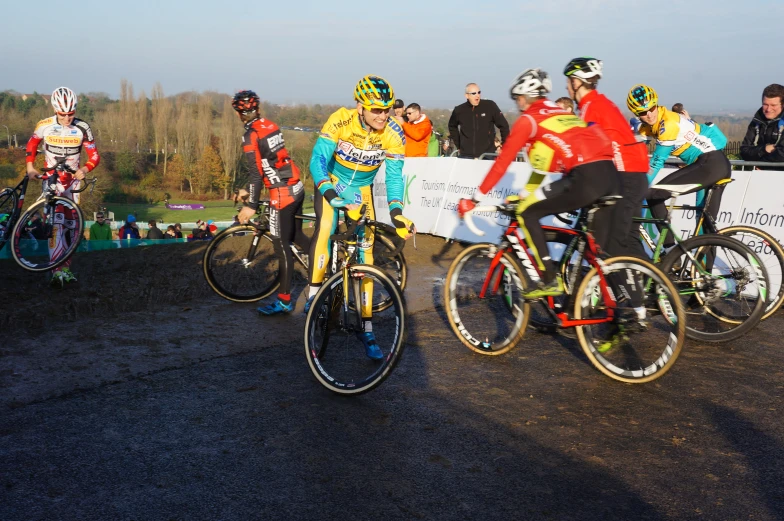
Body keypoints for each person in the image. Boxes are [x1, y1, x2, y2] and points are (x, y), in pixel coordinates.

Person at [458, 68, 619, 299]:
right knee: (592, 245)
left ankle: (549, 279)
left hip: (584, 176)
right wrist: (526, 192)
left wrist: (474, 199)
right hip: (609, 173)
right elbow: (545, 164)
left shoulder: (529, 119)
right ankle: (624, 305)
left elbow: (502, 163)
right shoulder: (557, 110)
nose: (517, 104)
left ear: (523, 98)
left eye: (516, 99)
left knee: (528, 214)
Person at [306, 75, 415, 359]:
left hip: (361, 191)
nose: (382, 115)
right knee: (327, 227)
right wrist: (330, 193)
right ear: (360, 107)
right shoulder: (340, 120)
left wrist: (397, 213)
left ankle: (367, 328)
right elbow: (317, 159)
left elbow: (393, 178)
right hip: (330, 182)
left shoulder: (393, 133)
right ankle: (313, 294)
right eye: (376, 109)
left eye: (387, 109)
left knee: (365, 255)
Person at [232, 90, 309, 315]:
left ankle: (285, 301)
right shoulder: (270, 125)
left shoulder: (250, 135)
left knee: (281, 245)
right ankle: (321, 272)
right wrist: (249, 190)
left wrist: (251, 205)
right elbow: (271, 161)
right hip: (296, 185)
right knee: (297, 236)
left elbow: (256, 172)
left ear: (239, 113)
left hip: (281, 193)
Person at [563, 57, 649, 260]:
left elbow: (587, 154)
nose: (567, 88)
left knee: (614, 247)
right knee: (627, 242)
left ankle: (637, 290)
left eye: (568, 83)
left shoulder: (592, 107)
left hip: (625, 177)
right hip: (630, 176)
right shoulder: (595, 103)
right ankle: (655, 284)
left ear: (576, 82)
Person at [627, 84, 730, 245]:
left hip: (711, 163)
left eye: (651, 108)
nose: (648, 114)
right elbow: (633, 150)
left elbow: (657, 161)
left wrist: (636, 189)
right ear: (636, 113)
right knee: (704, 226)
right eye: (642, 112)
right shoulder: (651, 124)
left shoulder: (667, 123)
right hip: (707, 165)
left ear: (656, 104)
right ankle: (696, 267)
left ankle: (669, 251)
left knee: (654, 194)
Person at [25, 86, 101, 286]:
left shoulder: (83, 127)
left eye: (71, 114)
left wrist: (85, 169)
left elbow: (94, 156)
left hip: (73, 183)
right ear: (55, 110)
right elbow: (31, 145)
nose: (67, 118)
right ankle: (55, 269)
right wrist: (30, 167)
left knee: (72, 227)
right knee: (56, 224)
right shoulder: (45, 125)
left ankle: (65, 268)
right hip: (52, 181)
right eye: (63, 114)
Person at [448, 83, 510, 159]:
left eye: (479, 92)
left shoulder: (490, 106)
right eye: (473, 93)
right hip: (466, 156)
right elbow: (452, 126)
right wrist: (459, 145)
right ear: (467, 96)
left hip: (487, 155)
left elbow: (504, 126)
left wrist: (504, 146)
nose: (477, 95)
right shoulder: (459, 110)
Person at [740, 84, 784, 165]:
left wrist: (760, 160)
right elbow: (744, 151)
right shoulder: (756, 122)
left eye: (773, 105)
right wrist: (764, 149)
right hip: (759, 174)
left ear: (783, 105)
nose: (768, 109)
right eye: (765, 104)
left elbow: (782, 154)